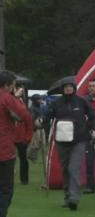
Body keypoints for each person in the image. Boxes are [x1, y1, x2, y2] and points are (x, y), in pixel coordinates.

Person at [46, 77, 95, 211]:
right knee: (65, 169)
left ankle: (74, 198)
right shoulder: (57, 102)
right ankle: (67, 196)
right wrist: (41, 120)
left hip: (79, 140)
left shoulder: (82, 101)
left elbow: (93, 116)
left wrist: (94, 130)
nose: (68, 88)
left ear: (74, 88)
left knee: (73, 168)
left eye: (70, 86)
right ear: (63, 89)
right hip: (62, 141)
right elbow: (48, 115)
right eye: (66, 87)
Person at [0, 71, 33, 217]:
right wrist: (28, 135)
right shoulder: (7, 98)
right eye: (13, 85)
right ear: (7, 85)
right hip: (4, 148)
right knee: (6, 188)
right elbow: (24, 115)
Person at [14, 85, 32, 185]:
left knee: (23, 159)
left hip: (21, 138)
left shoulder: (24, 109)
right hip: (12, 136)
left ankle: (24, 179)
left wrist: (28, 137)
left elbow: (29, 124)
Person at [27, 94, 47, 162]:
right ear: (35, 100)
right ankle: (31, 156)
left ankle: (33, 156)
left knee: (42, 143)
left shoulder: (41, 107)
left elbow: (44, 116)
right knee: (36, 145)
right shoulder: (32, 108)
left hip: (41, 128)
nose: (41, 100)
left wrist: (43, 118)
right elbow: (32, 119)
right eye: (39, 99)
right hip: (36, 129)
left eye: (40, 99)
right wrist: (34, 127)